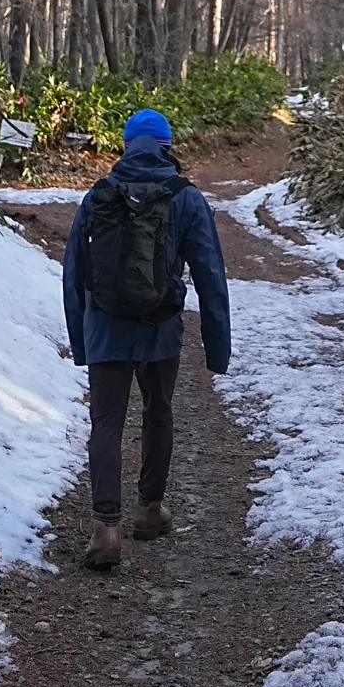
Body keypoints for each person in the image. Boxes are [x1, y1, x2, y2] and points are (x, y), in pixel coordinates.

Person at [63, 107, 232, 571]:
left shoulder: (99, 195)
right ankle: (149, 511)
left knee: (107, 421)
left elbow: (73, 272)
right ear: (166, 145)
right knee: (158, 412)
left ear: (125, 145)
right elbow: (210, 275)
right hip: (161, 329)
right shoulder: (187, 198)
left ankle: (104, 529)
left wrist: (82, 339)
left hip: (105, 326)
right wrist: (217, 349)